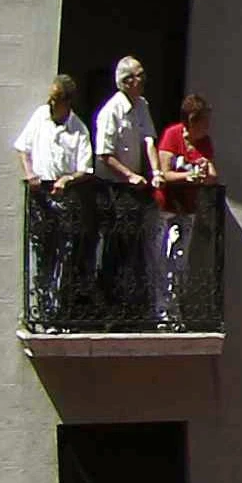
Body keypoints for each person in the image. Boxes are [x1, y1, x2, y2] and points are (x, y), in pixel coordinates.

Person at [13, 74, 95, 323]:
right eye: (50, 98)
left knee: (61, 253)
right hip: (40, 191)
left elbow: (85, 167)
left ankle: (53, 312)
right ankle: (36, 310)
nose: (51, 104)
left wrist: (67, 180)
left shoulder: (78, 129)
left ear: (67, 102)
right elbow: (22, 148)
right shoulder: (40, 116)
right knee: (38, 250)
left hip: (62, 195)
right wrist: (29, 174)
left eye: (56, 99)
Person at [89, 54, 158, 319]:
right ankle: (108, 306)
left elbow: (149, 140)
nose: (144, 80)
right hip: (114, 188)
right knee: (113, 246)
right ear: (127, 81)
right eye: (139, 76)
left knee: (133, 246)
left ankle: (132, 305)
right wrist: (130, 175)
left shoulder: (141, 105)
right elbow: (104, 154)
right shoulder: (111, 112)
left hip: (134, 189)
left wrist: (156, 171)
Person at [150, 91, 219, 328]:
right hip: (167, 208)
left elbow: (212, 176)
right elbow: (164, 172)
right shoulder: (172, 136)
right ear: (192, 120)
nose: (207, 126)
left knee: (180, 263)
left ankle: (175, 312)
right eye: (204, 121)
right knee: (163, 259)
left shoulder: (205, 143)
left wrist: (203, 171)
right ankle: (161, 314)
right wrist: (187, 176)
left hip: (187, 209)